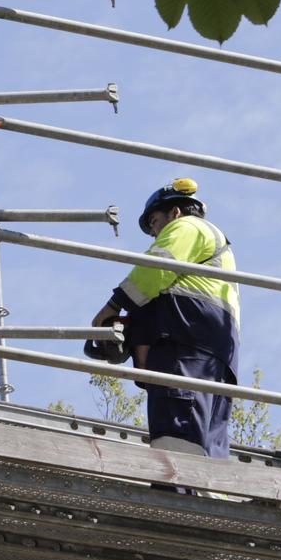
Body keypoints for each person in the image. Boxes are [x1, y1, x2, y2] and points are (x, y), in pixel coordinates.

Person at [90, 178, 240, 458]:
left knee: (177, 433)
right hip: (210, 350)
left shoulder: (188, 227)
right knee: (210, 444)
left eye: (155, 223)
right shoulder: (209, 250)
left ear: (175, 212)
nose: (155, 233)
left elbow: (156, 269)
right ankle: (212, 497)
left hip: (185, 346)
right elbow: (163, 292)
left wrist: (112, 308)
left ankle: (179, 494)